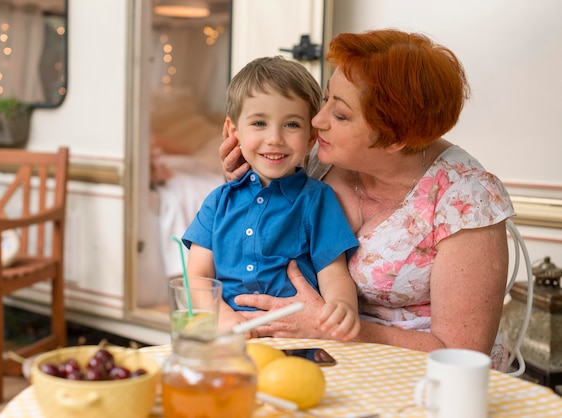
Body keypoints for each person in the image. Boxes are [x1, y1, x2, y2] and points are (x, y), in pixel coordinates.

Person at [219, 30, 515, 370]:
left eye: (341, 115)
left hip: (419, 380)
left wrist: (332, 330)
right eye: (326, 98)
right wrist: (245, 179)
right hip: (317, 360)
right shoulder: (315, 156)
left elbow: (462, 354)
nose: (317, 121)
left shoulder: (465, 200)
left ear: (395, 138)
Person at [182, 56, 361, 341]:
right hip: (230, 339)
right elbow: (198, 277)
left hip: (295, 338)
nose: (275, 138)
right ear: (233, 132)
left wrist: (342, 306)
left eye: (291, 124)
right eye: (259, 123)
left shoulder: (317, 200)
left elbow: (334, 272)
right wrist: (224, 318)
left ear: (311, 137)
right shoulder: (218, 202)